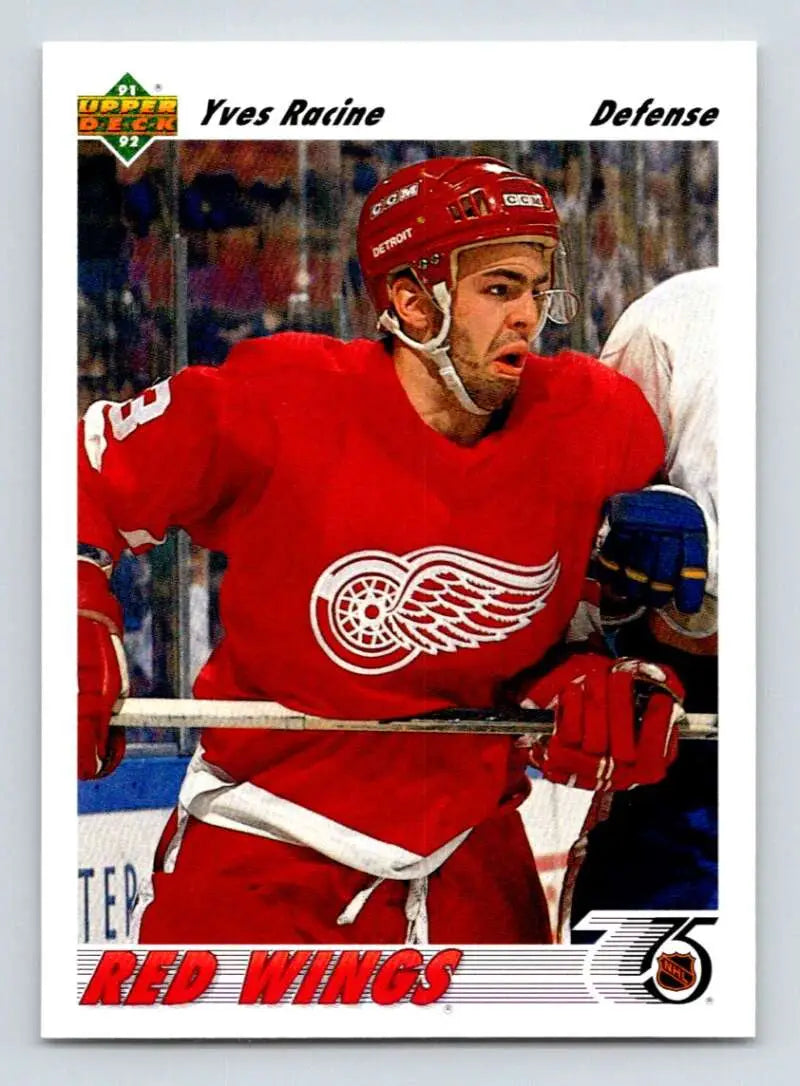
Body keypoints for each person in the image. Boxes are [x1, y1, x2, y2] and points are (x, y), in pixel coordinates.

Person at [78, 156, 704, 946]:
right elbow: (72, 481)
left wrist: (604, 679)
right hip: (267, 846)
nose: (529, 318)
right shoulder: (276, 400)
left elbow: (571, 628)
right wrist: (71, 613)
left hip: (472, 852)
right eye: (500, 289)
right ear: (411, 303)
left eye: (537, 290)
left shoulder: (594, 421)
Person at [570, 266, 719, 923]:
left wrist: (711, 552)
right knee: (648, 987)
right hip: (695, 728)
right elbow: (591, 522)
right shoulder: (680, 315)